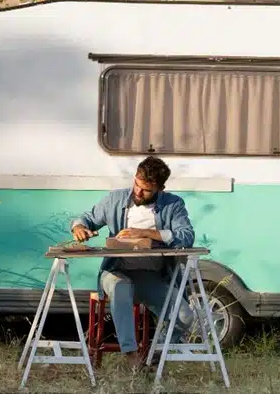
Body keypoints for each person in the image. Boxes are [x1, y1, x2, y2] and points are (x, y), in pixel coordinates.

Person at [70, 156, 197, 370]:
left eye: (146, 190)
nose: (138, 193)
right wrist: (79, 228)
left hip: (151, 277)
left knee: (185, 316)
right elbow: (86, 219)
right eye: (136, 185)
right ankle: (132, 358)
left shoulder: (173, 204)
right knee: (121, 287)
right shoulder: (116, 199)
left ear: (160, 188)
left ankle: (154, 357)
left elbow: (186, 236)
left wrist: (147, 233)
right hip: (116, 270)